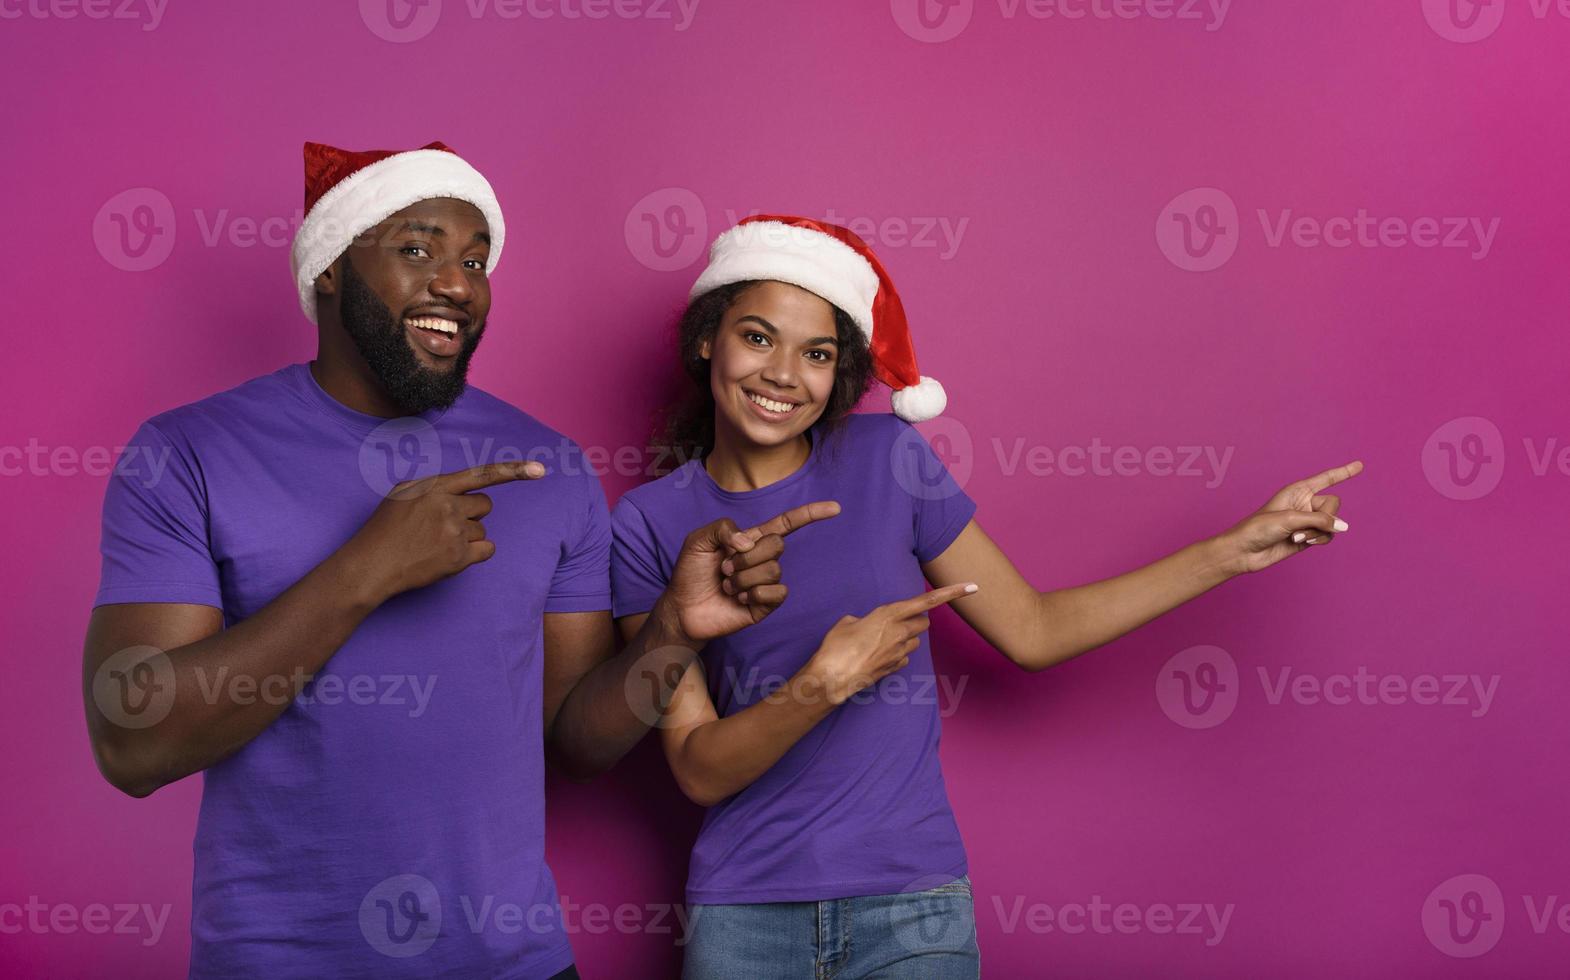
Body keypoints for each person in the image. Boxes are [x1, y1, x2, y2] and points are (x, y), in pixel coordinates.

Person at [82, 144, 832, 979]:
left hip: (515, 963)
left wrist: (671, 635)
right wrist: (367, 568)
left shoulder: (548, 467)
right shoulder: (188, 454)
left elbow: (573, 744)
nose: (457, 284)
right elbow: (132, 745)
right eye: (417, 249)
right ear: (331, 267)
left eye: (475, 260)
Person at [609, 215, 1363, 979]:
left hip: (909, 911)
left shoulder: (889, 459)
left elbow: (1033, 630)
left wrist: (1231, 551)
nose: (782, 375)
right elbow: (697, 768)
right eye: (759, 337)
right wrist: (822, 683)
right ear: (709, 338)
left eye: (817, 354)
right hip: (744, 918)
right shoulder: (649, 524)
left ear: (838, 374)